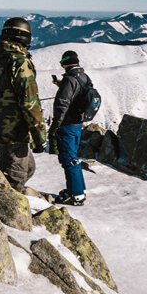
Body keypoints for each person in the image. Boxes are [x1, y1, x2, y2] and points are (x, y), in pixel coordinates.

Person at [0, 17, 47, 193]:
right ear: (23, 37)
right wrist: (40, 137)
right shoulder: (19, 63)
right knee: (14, 179)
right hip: (14, 131)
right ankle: (1, 212)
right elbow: (29, 104)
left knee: (27, 168)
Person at [49, 50, 90, 206]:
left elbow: (62, 103)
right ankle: (79, 189)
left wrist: (55, 123)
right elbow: (77, 93)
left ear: (64, 63)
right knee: (73, 157)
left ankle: (76, 195)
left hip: (67, 124)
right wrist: (60, 84)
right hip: (78, 123)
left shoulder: (69, 80)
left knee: (68, 159)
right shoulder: (83, 77)